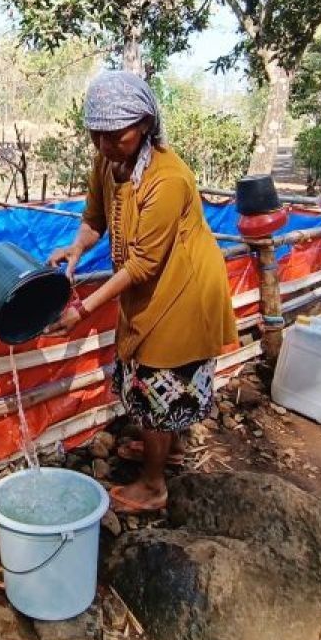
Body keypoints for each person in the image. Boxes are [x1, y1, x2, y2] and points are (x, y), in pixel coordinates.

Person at [46, 71, 238, 513]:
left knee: (157, 377)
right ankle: (168, 450)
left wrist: (83, 309)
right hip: (149, 281)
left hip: (184, 287)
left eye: (117, 137)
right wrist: (75, 249)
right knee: (150, 375)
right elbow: (95, 216)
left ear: (146, 125)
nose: (106, 146)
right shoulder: (107, 161)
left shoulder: (168, 179)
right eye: (97, 136)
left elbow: (143, 264)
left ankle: (154, 485)